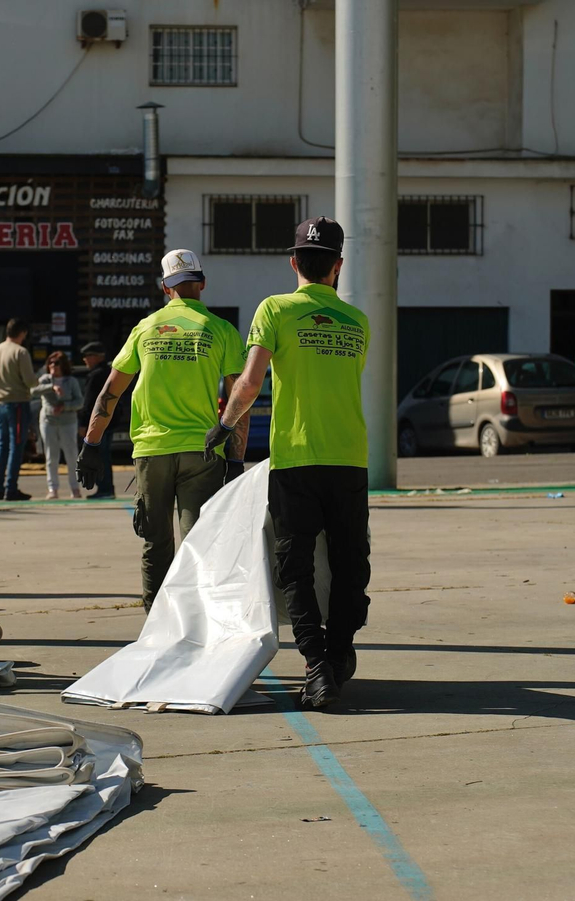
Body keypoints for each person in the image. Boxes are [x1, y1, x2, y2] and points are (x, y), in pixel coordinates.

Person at [207, 217, 370, 711]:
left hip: (296, 459)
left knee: (295, 567)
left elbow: (251, 382)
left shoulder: (275, 309)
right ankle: (337, 655)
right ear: (338, 266)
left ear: (293, 261)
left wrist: (225, 425)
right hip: (350, 458)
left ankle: (317, 666)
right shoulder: (357, 321)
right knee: (348, 565)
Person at [77, 248, 247, 610]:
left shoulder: (145, 328)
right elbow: (239, 398)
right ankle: (198, 619)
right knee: (199, 542)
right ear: (202, 284)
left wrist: (91, 444)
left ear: (165, 287)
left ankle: (156, 620)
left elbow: (110, 392)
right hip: (203, 451)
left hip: (152, 451)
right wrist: (235, 459)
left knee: (156, 543)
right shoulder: (222, 330)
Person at [0, 318, 41, 501]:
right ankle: (11, 488)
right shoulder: (20, 352)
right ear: (22, 333)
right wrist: (37, 381)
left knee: (2, 445)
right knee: (17, 446)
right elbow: (30, 381)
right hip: (17, 403)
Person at [36, 351, 85, 499]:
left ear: (63, 365)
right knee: (51, 456)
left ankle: (75, 488)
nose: (53, 366)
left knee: (71, 455)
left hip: (68, 422)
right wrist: (51, 387)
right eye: (50, 363)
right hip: (48, 421)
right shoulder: (45, 379)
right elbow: (33, 390)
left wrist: (65, 406)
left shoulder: (71, 381)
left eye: (56, 363)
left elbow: (79, 402)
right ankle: (53, 488)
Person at [78, 341, 118, 499]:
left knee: (99, 455)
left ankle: (105, 488)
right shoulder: (109, 372)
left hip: (97, 422)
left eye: (88, 356)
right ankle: (106, 488)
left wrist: (83, 424)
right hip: (110, 420)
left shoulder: (96, 375)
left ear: (97, 357)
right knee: (104, 455)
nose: (85, 360)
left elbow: (89, 402)